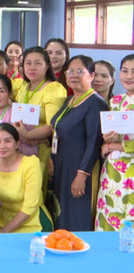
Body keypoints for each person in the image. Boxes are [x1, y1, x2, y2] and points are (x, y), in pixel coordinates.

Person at [50, 55, 108, 231]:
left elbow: (94, 142)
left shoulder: (96, 103)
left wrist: (82, 175)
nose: (74, 75)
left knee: (77, 216)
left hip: (80, 170)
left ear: (91, 75)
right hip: (63, 167)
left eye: (80, 71)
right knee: (62, 215)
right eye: (70, 71)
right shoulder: (70, 100)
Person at [11, 46, 67, 197]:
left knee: (34, 194)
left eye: (37, 63)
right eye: (28, 63)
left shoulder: (53, 88)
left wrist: (29, 135)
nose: (32, 67)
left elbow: (54, 125)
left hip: (41, 150)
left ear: (47, 65)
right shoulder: (23, 87)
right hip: (20, 148)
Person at [0, 123, 51, 233]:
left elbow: (29, 207)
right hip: (3, 222)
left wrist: (3, 231)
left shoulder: (30, 164)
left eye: (7, 141)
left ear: (17, 144)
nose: (2, 146)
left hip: (32, 225)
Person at [96, 54, 134, 231]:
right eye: (125, 71)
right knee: (110, 215)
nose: (129, 76)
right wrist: (109, 138)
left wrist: (112, 146)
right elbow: (111, 133)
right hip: (112, 171)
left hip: (131, 171)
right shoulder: (116, 101)